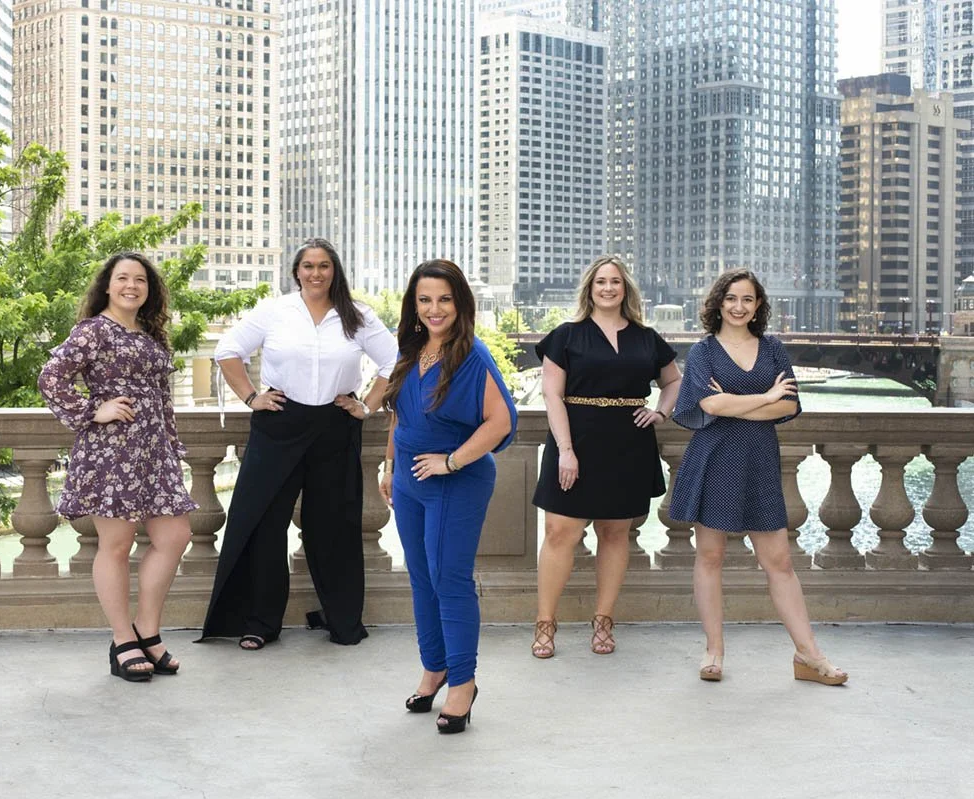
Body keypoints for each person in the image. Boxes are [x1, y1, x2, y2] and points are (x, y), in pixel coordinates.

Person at [198, 238, 397, 650]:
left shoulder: (356, 315)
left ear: (335, 271)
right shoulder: (275, 311)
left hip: (335, 425)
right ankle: (259, 622)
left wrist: (368, 406)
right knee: (262, 523)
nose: (316, 274)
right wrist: (252, 398)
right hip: (279, 423)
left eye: (324, 266)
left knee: (335, 526)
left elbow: (395, 361)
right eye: (308, 266)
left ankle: (342, 620)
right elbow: (227, 350)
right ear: (296, 272)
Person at [669, 269, 848, 686]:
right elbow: (710, 406)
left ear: (758, 306)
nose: (738, 306)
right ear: (718, 303)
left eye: (747, 299)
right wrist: (763, 397)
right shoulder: (703, 352)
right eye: (731, 298)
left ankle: (809, 656)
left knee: (780, 562)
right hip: (714, 459)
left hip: (760, 461)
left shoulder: (772, 348)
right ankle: (714, 651)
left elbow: (787, 406)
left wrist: (748, 402)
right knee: (710, 556)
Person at [39, 252, 196, 682]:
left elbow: (162, 396)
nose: (132, 285)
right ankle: (122, 638)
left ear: (149, 289)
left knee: (175, 534)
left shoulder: (151, 334)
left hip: (154, 452)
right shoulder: (93, 331)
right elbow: (51, 378)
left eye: (140, 280)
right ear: (107, 286)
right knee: (116, 545)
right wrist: (95, 409)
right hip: (111, 450)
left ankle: (147, 629)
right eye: (122, 278)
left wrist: (169, 442)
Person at [379, 259, 517, 734]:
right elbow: (400, 413)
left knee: (449, 580)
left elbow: (502, 423)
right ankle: (434, 667)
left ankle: (463, 682)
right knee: (421, 578)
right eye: (424, 300)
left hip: (455, 482)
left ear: (459, 304)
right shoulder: (412, 347)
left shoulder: (472, 356)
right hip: (408, 481)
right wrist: (391, 462)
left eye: (443, 299)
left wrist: (452, 461)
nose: (434, 309)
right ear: (413, 306)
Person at [530, 256, 681, 659]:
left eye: (616, 281)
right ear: (590, 289)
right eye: (601, 282)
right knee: (561, 534)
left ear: (626, 288)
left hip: (628, 445)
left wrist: (661, 412)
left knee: (615, 534)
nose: (609, 288)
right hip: (575, 442)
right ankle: (545, 624)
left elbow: (674, 380)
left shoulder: (647, 338)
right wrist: (565, 451)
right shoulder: (566, 335)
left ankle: (603, 621)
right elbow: (551, 395)